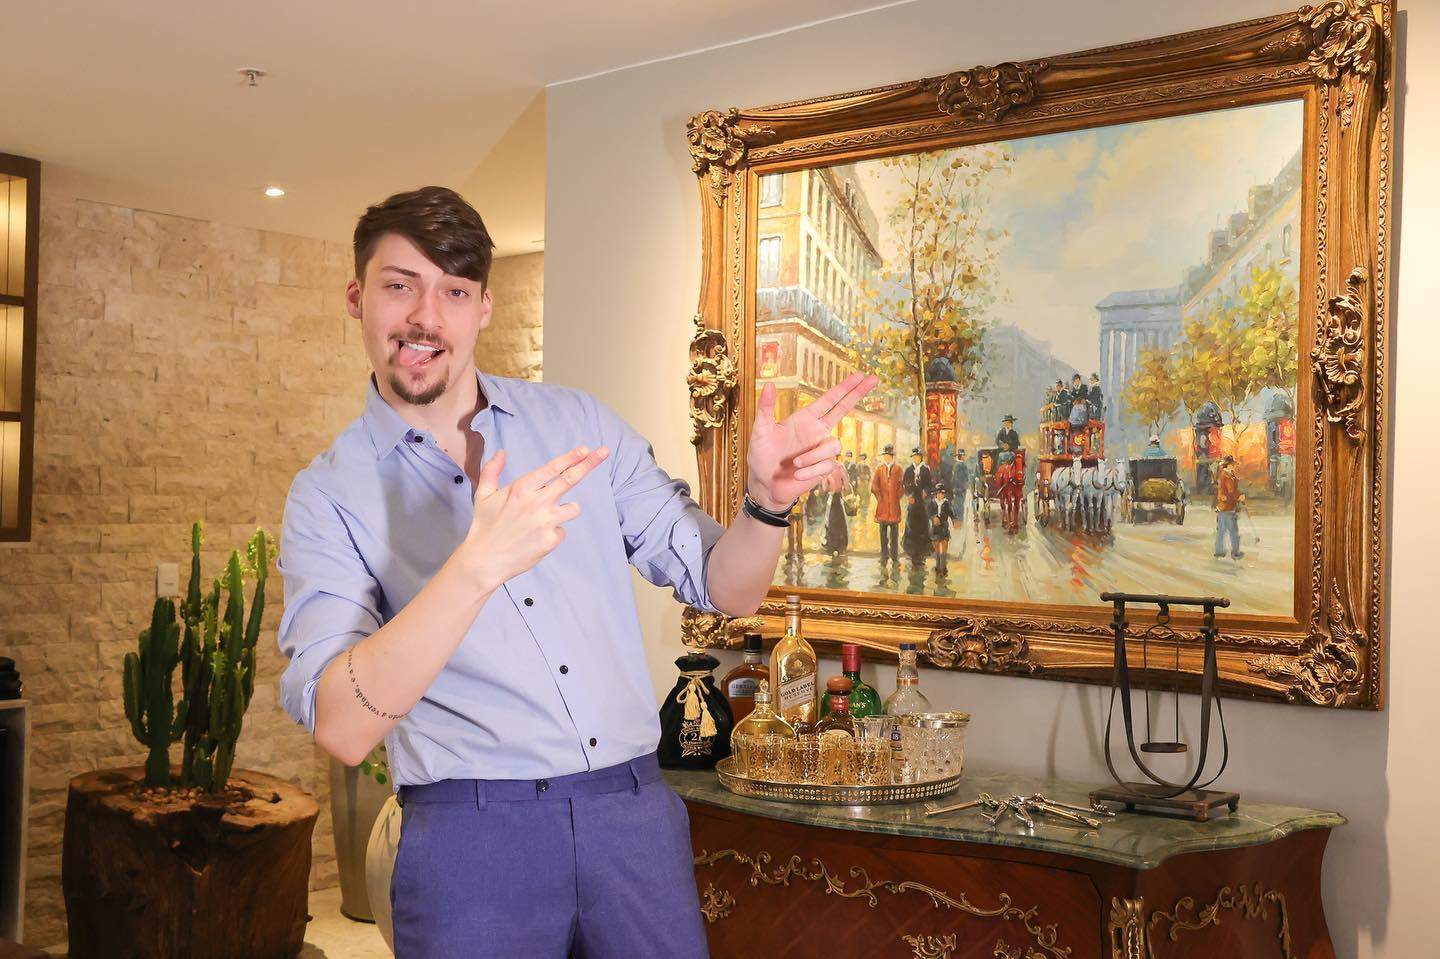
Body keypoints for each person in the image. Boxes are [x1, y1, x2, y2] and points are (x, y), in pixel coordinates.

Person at [274, 186, 878, 958]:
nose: (426, 316)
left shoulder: (580, 426)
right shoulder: (328, 495)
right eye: (400, 285)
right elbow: (342, 725)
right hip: (470, 841)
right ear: (357, 298)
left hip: (633, 821)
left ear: (483, 307)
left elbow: (726, 587)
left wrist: (765, 504)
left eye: (453, 291)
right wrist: (473, 568)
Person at [871, 444, 903, 566]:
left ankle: (894, 557)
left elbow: (902, 486)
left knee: (894, 534)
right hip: (883, 507)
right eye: (885, 456)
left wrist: (896, 497)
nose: (887, 458)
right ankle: (884, 556)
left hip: (894, 508)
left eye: (889, 456)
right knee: (883, 534)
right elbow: (874, 486)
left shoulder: (898, 469)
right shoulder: (879, 470)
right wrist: (880, 497)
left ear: (892, 457)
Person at [1213, 454, 1245, 559]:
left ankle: (1219, 551)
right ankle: (1235, 552)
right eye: (1233, 464)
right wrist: (1239, 497)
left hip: (1222, 506)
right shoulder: (1228, 476)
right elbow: (1231, 491)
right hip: (1228, 506)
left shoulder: (1225, 474)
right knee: (1233, 531)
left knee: (1221, 530)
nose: (1235, 466)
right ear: (1229, 464)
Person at [928, 482, 956, 576]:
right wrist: (933, 518)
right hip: (935, 528)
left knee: (944, 546)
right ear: (936, 494)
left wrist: (954, 520)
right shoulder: (932, 503)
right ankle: (937, 565)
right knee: (936, 547)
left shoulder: (946, 503)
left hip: (944, 527)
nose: (940, 495)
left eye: (942, 493)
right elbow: (928, 513)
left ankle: (943, 567)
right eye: (939, 493)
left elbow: (951, 513)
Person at [822, 468, 851, 558]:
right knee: (841, 523)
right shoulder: (841, 469)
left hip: (831, 498)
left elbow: (824, 488)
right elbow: (847, 487)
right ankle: (841, 546)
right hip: (839, 498)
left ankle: (831, 545)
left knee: (830, 522)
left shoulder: (827, 471)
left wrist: (829, 487)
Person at [903, 486, 933, 569]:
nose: (909, 498)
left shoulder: (919, 507)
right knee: (916, 546)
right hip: (915, 534)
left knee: (918, 546)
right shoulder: (915, 506)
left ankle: (918, 560)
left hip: (918, 534)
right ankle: (917, 560)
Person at [856, 452, 874, 521]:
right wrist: (858, 479)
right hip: (860, 483)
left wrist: (868, 480)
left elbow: (870, 474)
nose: (862, 458)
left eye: (863, 456)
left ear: (865, 457)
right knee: (860, 496)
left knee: (866, 497)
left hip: (865, 483)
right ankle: (861, 511)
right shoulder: (858, 465)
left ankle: (864, 514)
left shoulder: (867, 465)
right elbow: (856, 473)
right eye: (861, 456)